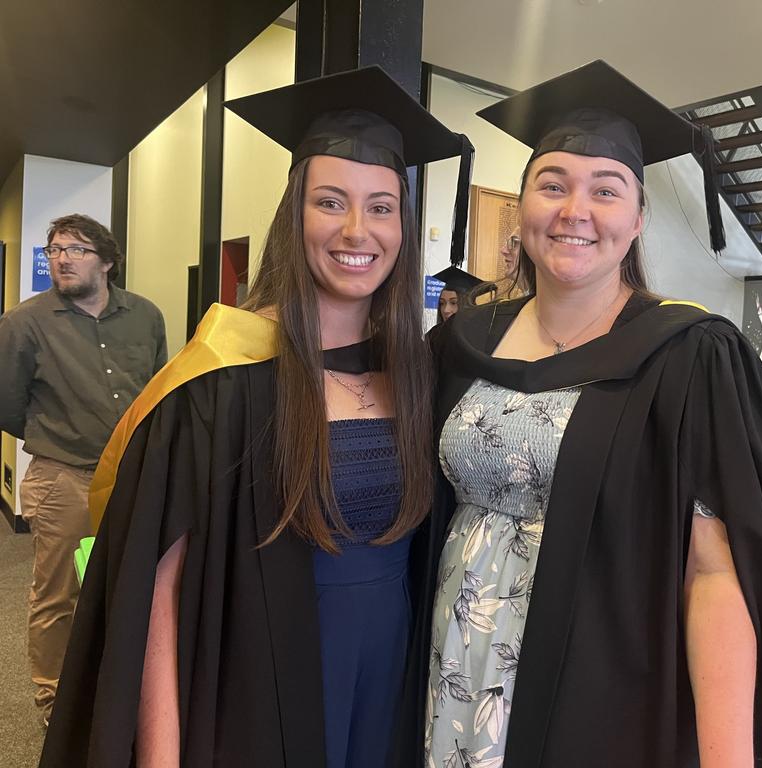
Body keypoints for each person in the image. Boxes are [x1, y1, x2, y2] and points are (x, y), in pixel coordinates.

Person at [39, 67, 472, 768]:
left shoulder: (421, 376)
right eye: (330, 202)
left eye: (382, 206)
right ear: (294, 213)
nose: (358, 230)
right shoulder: (222, 380)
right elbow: (161, 593)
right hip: (260, 693)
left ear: (404, 224)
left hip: (394, 688)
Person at [395, 61, 762, 767]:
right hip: (455, 657)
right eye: (552, 185)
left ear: (638, 218)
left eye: (606, 190)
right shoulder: (460, 344)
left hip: (599, 682)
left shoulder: (690, 355)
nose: (574, 211)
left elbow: (714, 576)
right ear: (524, 204)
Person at [0, 213, 166, 726]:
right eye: (53, 250)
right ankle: (55, 700)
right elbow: (7, 402)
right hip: (63, 476)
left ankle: (116, 684)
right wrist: (57, 432)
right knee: (59, 595)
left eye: (75, 249)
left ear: (108, 261)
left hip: (132, 475)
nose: (61, 258)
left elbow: (158, 390)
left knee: (131, 581)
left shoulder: (145, 316)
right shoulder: (24, 322)